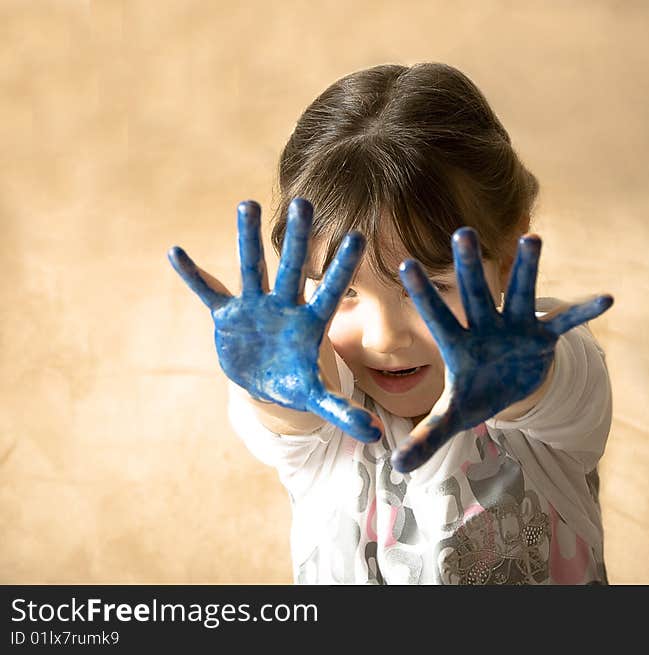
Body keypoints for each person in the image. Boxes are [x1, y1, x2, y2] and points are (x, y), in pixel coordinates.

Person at [168, 62, 614, 584]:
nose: (385, 339)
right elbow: (286, 420)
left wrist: (523, 381)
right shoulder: (326, 411)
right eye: (343, 290)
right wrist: (267, 391)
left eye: (432, 287)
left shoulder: (539, 370)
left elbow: (563, 388)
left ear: (511, 257)